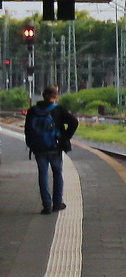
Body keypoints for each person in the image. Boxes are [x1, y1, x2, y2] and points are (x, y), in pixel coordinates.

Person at [24, 86, 79, 214]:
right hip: (55, 147)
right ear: (56, 96)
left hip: (39, 148)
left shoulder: (32, 110)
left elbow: (27, 129)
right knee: (57, 174)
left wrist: (32, 144)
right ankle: (57, 203)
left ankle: (47, 205)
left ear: (43, 96)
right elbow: (74, 122)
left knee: (43, 175)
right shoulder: (58, 110)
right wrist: (65, 137)